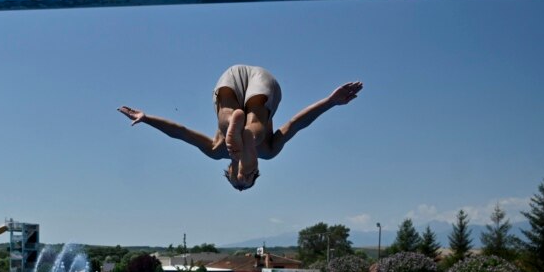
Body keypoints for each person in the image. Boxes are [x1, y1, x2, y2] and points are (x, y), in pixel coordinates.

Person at [118, 66, 362, 190]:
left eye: (238, 181)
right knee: (252, 125)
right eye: (247, 180)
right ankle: (244, 138)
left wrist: (147, 118)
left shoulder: (216, 151)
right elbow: (296, 124)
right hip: (262, 86)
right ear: (254, 175)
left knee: (229, 120)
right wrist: (329, 102)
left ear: (230, 173)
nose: (241, 180)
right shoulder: (269, 151)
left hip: (234, 79)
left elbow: (181, 133)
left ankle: (240, 134)